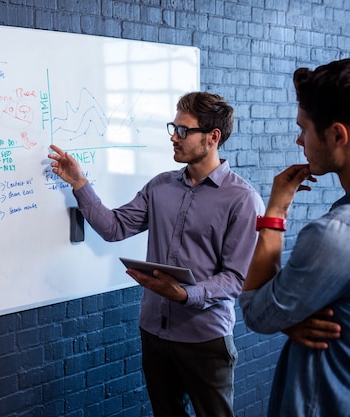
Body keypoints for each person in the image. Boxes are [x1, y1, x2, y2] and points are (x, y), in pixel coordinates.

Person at [48, 92, 265, 417]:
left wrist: (184, 295)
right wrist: (79, 183)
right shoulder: (160, 186)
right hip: (155, 332)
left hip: (205, 338)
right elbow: (114, 227)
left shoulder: (242, 199)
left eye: (182, 130)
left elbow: (236, 278)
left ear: (212, 137)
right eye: (172, 127)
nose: (173, 137)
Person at [239, 59, 350, 416]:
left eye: (304, 128)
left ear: (337, 135)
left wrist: (275, 211)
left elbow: (257, 312)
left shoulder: (334, 236)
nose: (298, 139)